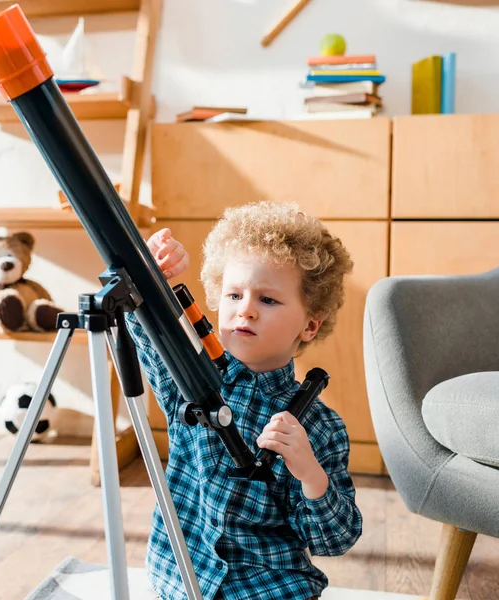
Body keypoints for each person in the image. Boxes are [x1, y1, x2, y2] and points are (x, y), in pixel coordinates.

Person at [125, 201, 363, 600]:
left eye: (267, 300)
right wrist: (151, 275)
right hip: (179, 578)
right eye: (234, 295)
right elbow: (143, 328)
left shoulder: (320, 426)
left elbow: (334, 540)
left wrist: (308, 471)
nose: (246, 311)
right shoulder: (190, 379)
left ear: (310, 325)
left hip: (268, 587)